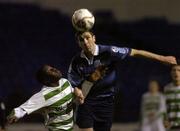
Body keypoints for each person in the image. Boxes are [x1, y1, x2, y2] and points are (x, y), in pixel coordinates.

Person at [67, 31, 177, 131]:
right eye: (81, 40)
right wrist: (76, 90)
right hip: (86, 103)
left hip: (106, 102)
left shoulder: (109, 51)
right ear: (78, 43)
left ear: (94, 38)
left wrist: (162, 58)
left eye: (87, 38)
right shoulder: (76, 61)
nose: (85, 42)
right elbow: (72, 83)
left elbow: (135, 52)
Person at [7, 65, 74, 131]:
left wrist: (77, 94)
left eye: (53, 68)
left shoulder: (65, 82)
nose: (55, 69)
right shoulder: (44, 95)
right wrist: (12, 116)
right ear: (46, 80)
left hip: (70, 127)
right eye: (50, 70)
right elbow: (22, 109)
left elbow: (72, 92)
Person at [164, 64, 180, 131]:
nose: (176, 72)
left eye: (179, 70)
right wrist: (164, 119)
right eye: (174, 70)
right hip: (171, 127)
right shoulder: (166, 89)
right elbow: (164, 107)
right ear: (171, 73)